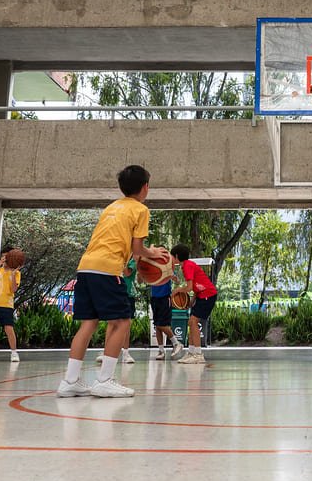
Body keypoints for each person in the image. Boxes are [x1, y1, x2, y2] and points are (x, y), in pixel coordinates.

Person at [56, 165, 166, 398]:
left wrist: (143, 255)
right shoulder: (140, 210)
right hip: (107, 269)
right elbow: (137, 248)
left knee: (88, 323)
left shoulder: (111, 207)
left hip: (86, 267)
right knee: (121, 322)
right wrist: (153, 253)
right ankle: (104, 380)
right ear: (146, 187)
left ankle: (70, 381)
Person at [170, 245, 217, 365]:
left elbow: (189, 287)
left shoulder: (187, 266)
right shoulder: (188, 265)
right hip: (202, 295)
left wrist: (177, 290)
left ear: (176, 256)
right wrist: (191, 301)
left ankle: (198, 354)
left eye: (171, 256)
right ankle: (191, 352)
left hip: (208, 294)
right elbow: (196, 285)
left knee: (193, 322)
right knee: (191, 322)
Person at [147, 268, 181, 361]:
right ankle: (161, 350)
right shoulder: (151, 268)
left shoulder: (166, 267)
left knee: (162, 324)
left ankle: (176, 343)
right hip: (154, 298)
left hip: (165, 298)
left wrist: (173, 277)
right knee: (157, 325)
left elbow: (177, 281)